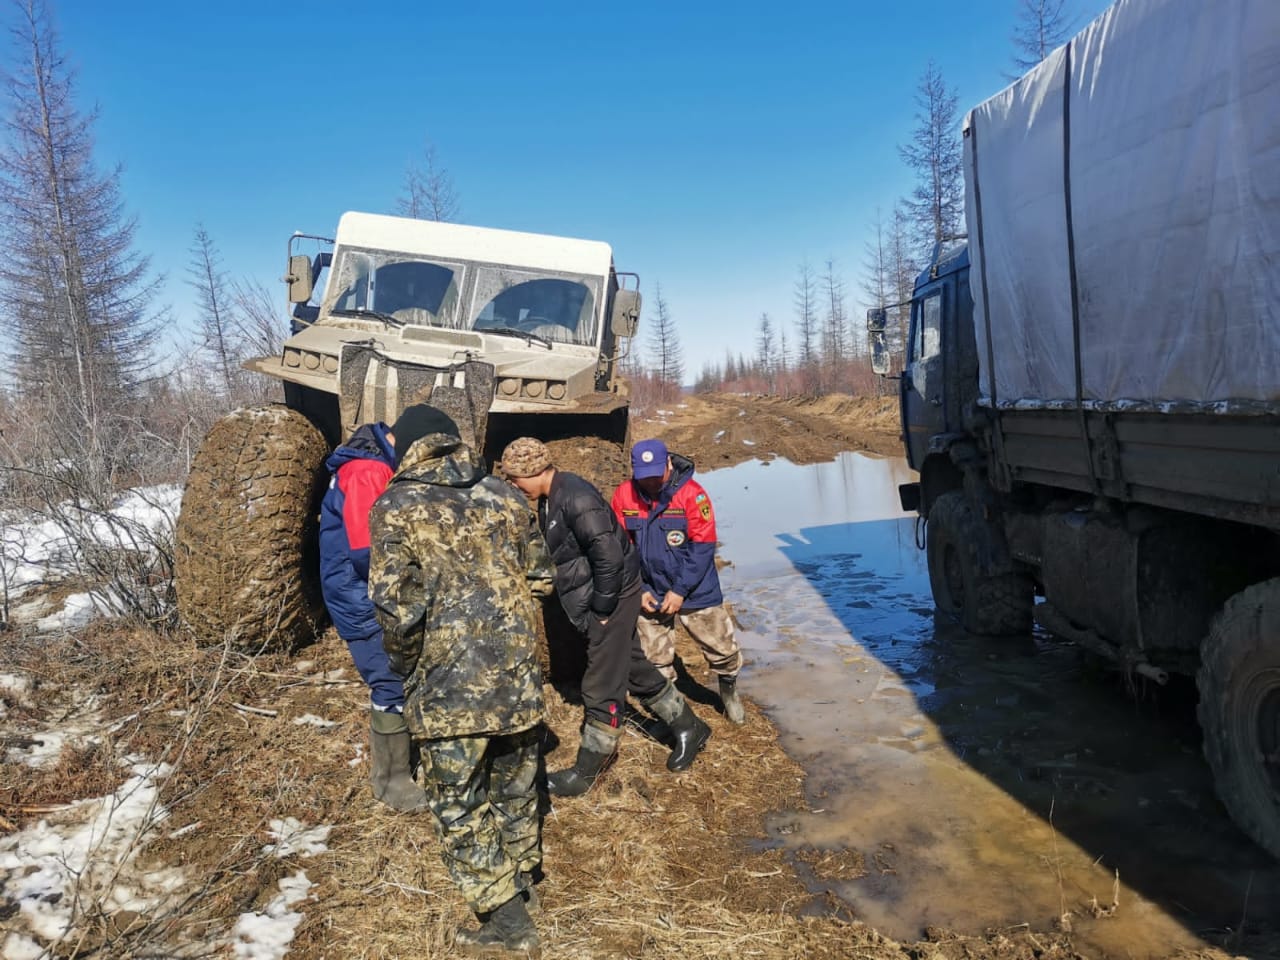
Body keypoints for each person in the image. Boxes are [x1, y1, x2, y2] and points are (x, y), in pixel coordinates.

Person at [369, 404, 553, 955]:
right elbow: (541, 578)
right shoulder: (503, 494)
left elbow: (399, 610)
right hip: (517, 676)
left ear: (407, 446)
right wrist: (507, 628)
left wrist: (408, 666)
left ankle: (509, 924)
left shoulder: (395, 506)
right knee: (517, 785)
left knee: (457, 803)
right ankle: (522, 885)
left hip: (448, 687)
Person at [500, 436, 711, 797]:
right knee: (632, 666)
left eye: (514, 479)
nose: (514, 486)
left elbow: (609, 556)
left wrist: (601, 608)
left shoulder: (575, 497)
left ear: (531, 471)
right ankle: (689, 725)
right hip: (604, 597)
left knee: (600, 686)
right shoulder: (554, 497)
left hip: (611, 599)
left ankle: (586, 771)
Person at [318, 420, 428, 813]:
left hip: (362, 591)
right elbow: (368, 552)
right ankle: (391, 782)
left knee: (400, 674)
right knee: (389, 681)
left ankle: (404, 762)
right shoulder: (369, 471)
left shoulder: (373, 461)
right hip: (360, 597)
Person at [611, 439, 746, 724]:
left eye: (656, 474)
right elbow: (621, 547)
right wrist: (640, 588)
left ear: (669, 465)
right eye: (643, 475)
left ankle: (729, 691)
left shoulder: (692, 495)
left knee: (722, 647)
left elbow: (702, 547)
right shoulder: (624, 495)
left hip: (694, 587)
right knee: (654, 660)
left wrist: (680, 591)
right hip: (650, 588)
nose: (650, 481)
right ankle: (674, 717)